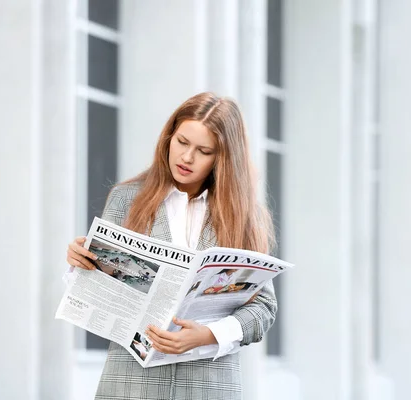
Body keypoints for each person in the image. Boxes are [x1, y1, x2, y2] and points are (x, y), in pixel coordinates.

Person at [65, 92, 277, 400]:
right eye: (181, 142)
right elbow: (93, 294)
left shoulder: (244, 216)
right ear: (168, 138)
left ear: (224, 158)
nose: (187, 157)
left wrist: (207, 336)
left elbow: (263, 309)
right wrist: (79, 263)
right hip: (131, 385)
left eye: (204, 151)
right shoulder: (127, 199)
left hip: (209, 386)